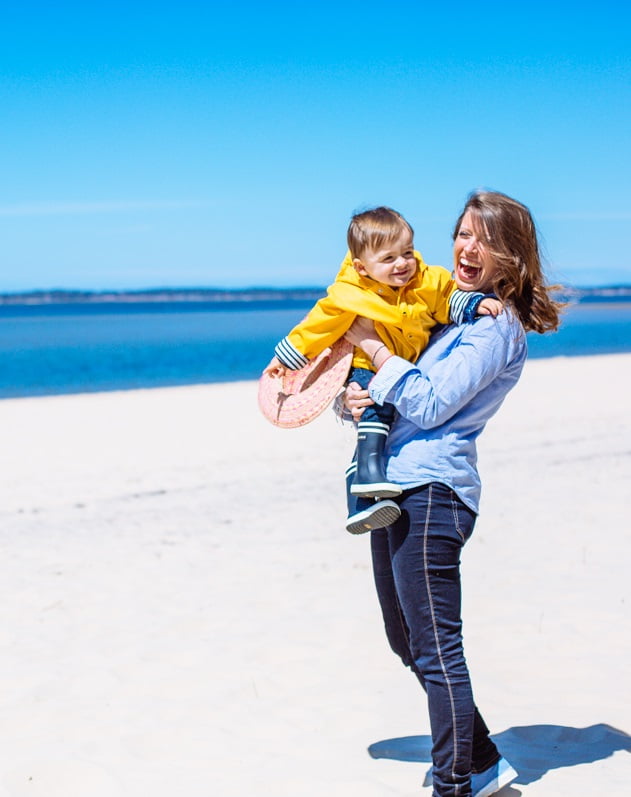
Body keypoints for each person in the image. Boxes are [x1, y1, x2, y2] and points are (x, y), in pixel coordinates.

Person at [342, 190, 562, 797]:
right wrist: (353, 398)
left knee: (437, 646)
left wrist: (375, 347)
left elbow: (432, 404)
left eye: (483, 238)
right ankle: (484, 757)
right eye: (462, 233)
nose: (466, 247)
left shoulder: (496, 330)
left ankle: (454, 784)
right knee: (405, 638)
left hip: (434, 490)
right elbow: (397, 393)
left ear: (511, 256)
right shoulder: (447, 315)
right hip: (392, 482)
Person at [263, 206, 501, 534]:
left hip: (397, 363)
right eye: (388, 259)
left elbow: (446, 301)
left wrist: (473, 304)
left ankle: (359, 499)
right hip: (365, 365)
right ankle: (370, 471)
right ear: (362, 267)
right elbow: (316, 329)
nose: (402, 264)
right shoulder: (351, 296)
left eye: (407, 252)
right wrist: (285, 358)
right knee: (376, 409)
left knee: (379, 414)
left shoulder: (426, 279)